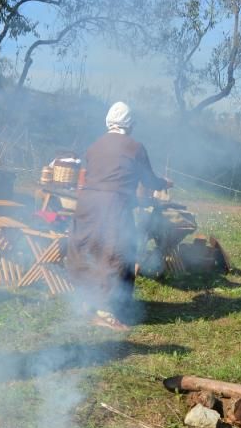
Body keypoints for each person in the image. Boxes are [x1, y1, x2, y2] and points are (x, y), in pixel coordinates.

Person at [66, 102, 171, 331]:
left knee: (89, 252)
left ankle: (87, 303)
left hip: (86, 205)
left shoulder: (94, 146)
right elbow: (149, 181)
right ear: (129, 123)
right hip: (111, 209)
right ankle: (106, 311)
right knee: (115, 256)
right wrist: (164, 183)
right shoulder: (135, 147)